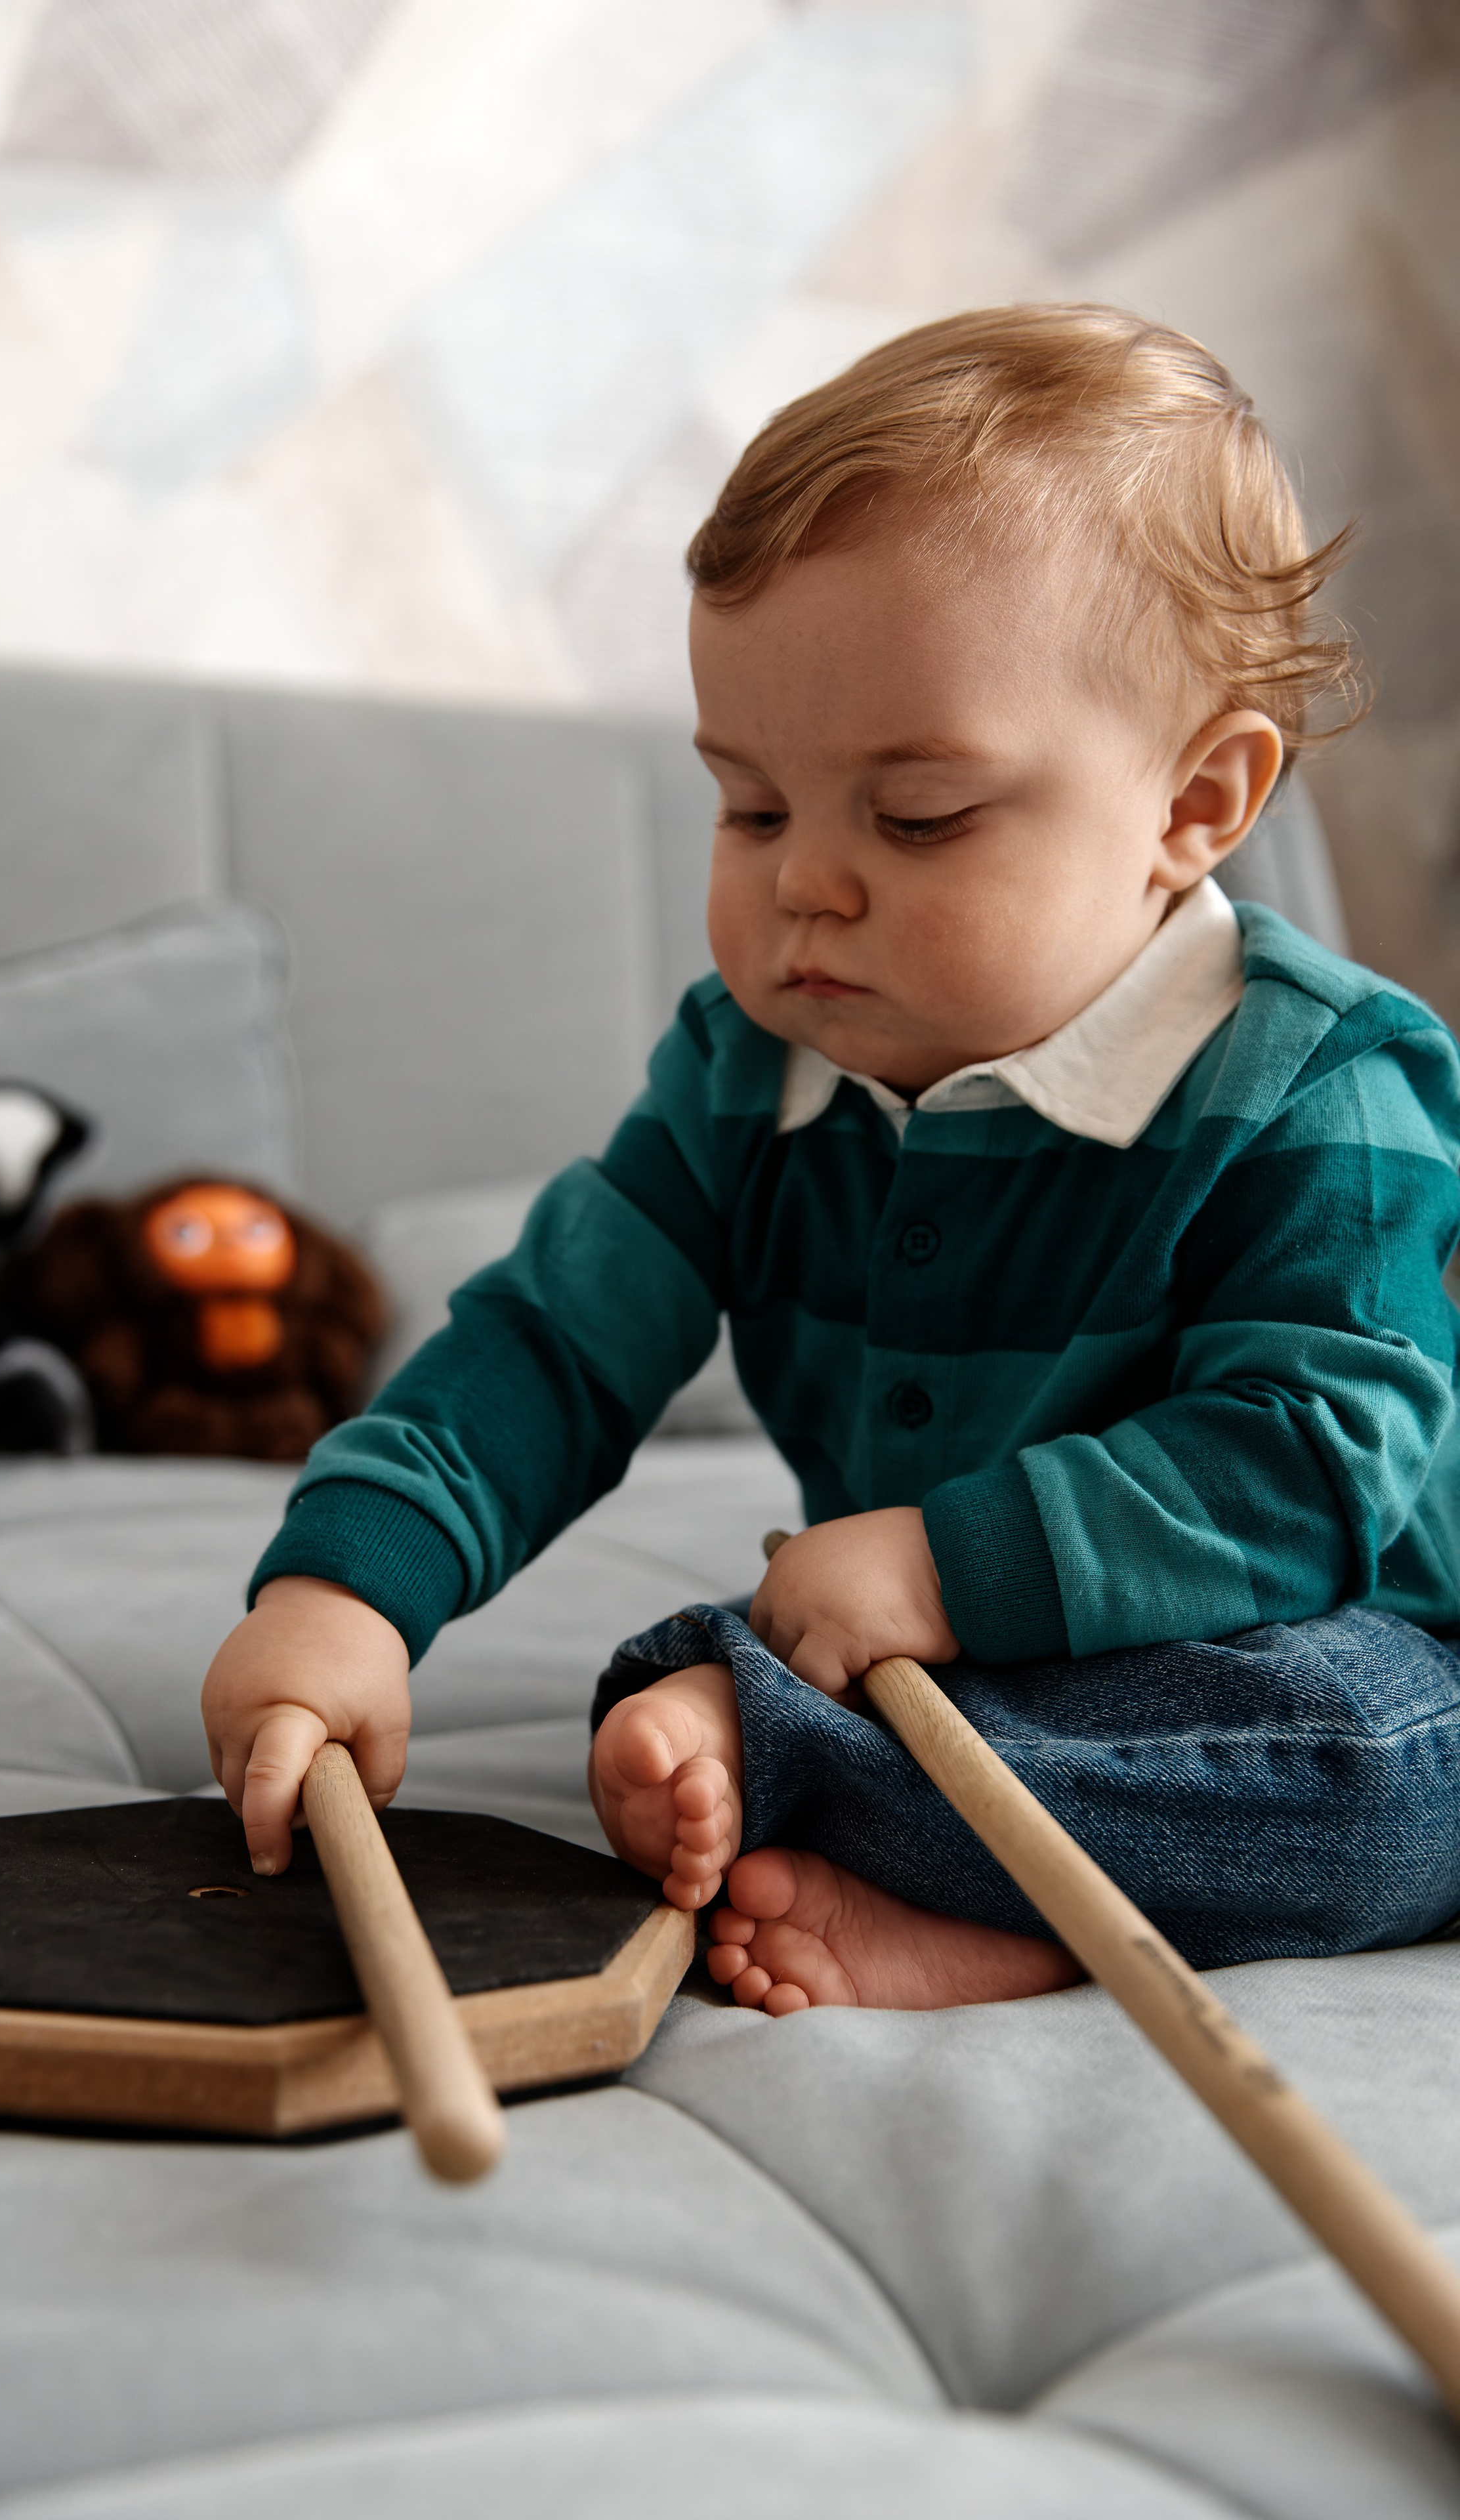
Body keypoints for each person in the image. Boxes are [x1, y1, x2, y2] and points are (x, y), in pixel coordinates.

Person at [203, 304, 1460, 2016]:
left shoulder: (1326, 1084)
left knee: (1392, 1773)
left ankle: (834, 1791)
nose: (809, 885)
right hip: (933, 1666)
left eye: (920, 814)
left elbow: (1311, 1463)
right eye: (752, 805)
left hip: (1314, 1645)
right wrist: (347, 1590)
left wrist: (943, 1566)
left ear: (1196, 803)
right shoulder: (751, 1067)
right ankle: (909, 1821)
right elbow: (553, 1346)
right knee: (839, 1677)